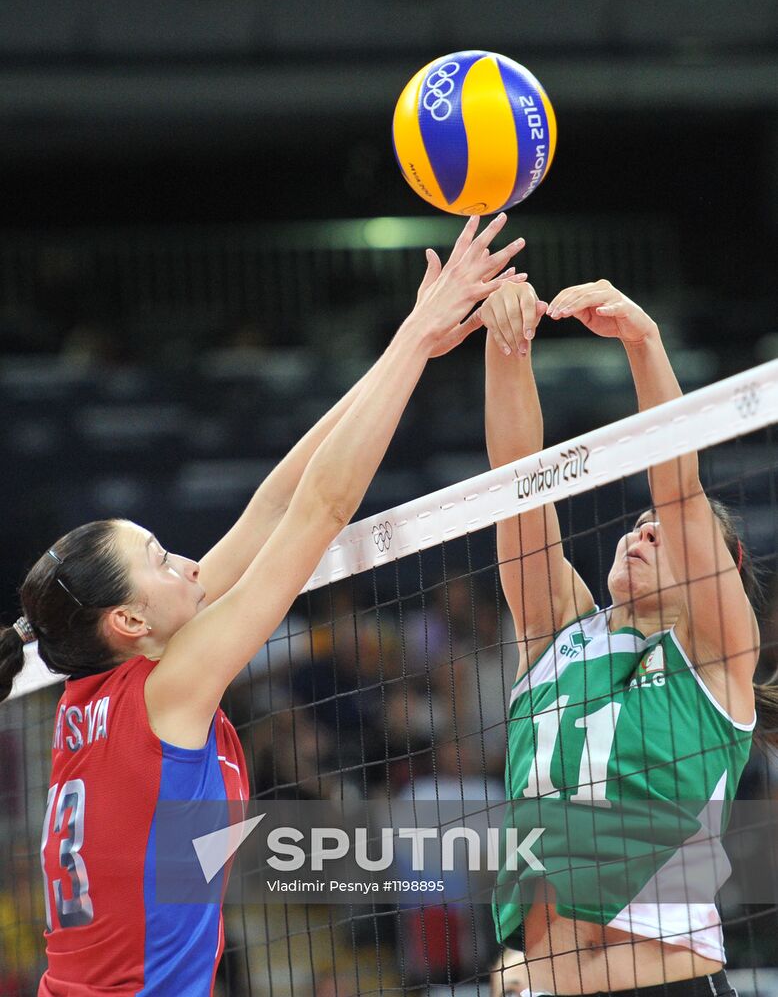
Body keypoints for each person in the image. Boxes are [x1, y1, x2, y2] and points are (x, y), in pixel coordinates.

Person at [0, 213, 527, 996]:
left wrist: (403, 350)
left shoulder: (99, 682)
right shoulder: (166, 686)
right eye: (160, 560)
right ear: (130, 621)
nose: (187, 563)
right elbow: (319, 511)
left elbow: (274, 504)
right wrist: (416, 336)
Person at [480, 277, 776, 996]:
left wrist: (644, 342)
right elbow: (516, 480)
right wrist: (506, 346)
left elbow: (678, 489)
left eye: (663, 533)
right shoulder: (555, 633)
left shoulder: (714, 659)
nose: (645, 531)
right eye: (638, 525)